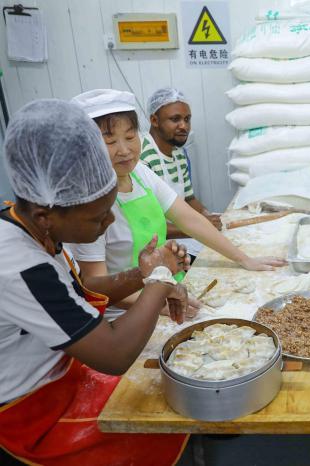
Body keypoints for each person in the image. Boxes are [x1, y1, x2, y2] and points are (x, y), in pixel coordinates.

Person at [0, 99, 191, 465]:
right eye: (99, 217)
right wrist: (160, 281)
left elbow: (75, 295)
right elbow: (114, 355)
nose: (108, 224)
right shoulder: (19, 265)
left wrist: (143, 274)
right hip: (31, 412)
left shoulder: (30, 226)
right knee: (163, 414)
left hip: (65, 373)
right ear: (46, 214)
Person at [68, 89, 284, 312]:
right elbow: (96, 289)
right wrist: (159, 304)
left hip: (166, 291)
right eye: (110, 141)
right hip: (127, 313)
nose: (124, 150)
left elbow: (190, 219)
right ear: (87, 146)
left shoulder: (140, 174)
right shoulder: (88, 204)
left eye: (131, 137)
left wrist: (244, 259)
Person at [141, 87, 218, 257]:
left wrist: (208, 217)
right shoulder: (143, 157)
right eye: (175, 119)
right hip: (155, 246)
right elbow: (147, 224)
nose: (184, 126)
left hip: (183, 233)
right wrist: (198, 227)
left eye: (187, 119)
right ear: (154, 120)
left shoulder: (178, 154)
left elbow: (189, 200)